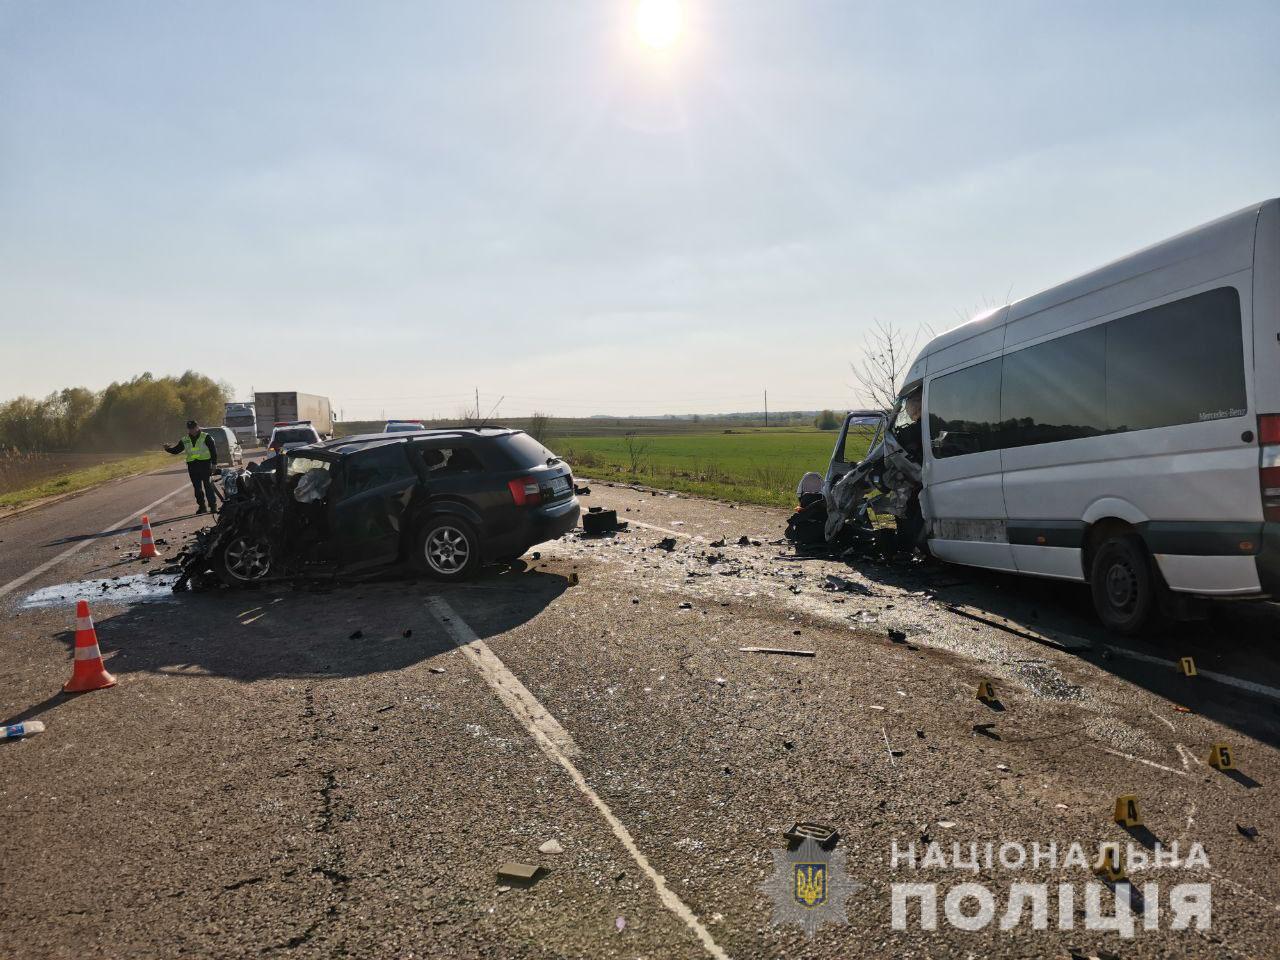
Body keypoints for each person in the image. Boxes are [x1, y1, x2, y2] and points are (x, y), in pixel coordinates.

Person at [164, 420, 220, 514]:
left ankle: (213, 506)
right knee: (197, 488)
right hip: (193, 467)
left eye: (193, 428)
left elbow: (213, 451)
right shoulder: (185, 439)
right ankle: (202, 507)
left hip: (205, 465)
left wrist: (214, 464)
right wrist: (168, 449)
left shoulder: (206, 437)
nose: (192, 430)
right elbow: (176, 450)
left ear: (197, 427)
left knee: (208, 486)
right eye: (190, 429)